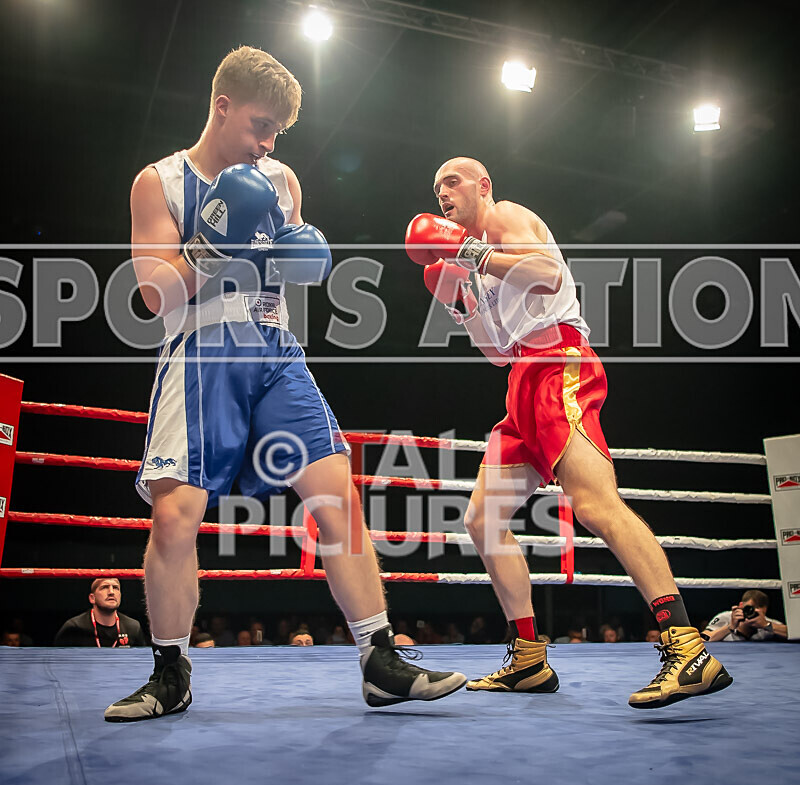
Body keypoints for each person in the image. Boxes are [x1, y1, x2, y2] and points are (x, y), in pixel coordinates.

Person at [104, 46, 465, 723]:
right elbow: (153, 296)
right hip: (202, 352)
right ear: (223, 105)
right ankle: (169, 673)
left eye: (277, 133)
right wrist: (211, 245)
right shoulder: (158, 183)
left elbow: (298, 267)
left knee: (335, 491)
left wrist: (301, 256)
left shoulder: (281, 179)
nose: (268, 142)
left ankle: (379, 658)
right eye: (260, 125)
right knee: (176, 518)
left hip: (275, 349)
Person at [404, 157, 733, 709]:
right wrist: (461, 305)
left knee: (596, 505)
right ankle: (529, 657)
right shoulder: (474, 268)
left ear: (483, 187)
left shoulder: (504, 218)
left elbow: (550, 276)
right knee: (483, 521)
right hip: (522, 380)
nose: (443, 193)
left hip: (559, 363)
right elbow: (496, 354)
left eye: (453, 182)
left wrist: (467, 254)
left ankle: (688, 647)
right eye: (437, 187)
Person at [54, 578, 147, 648]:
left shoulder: (133, 627)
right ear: (92, 598)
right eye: (104, 587)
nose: (111, 592)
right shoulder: (74, 627)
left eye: (115, 588)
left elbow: (143, 663)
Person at [701, 589, 788, 642]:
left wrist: (766, 625)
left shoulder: (765, 622)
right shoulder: (726, 617)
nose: (753, 614)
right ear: (741, 605)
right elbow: (703, 639)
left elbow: (793, 633)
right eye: (750, 609)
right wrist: (730, 627)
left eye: (757, 612)